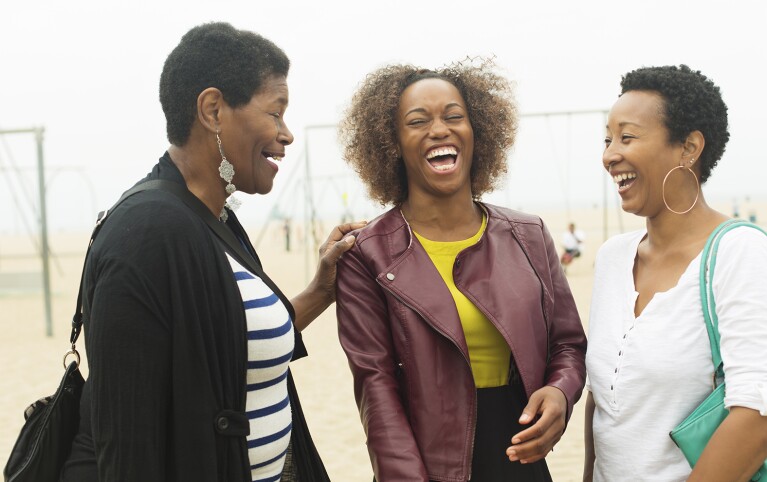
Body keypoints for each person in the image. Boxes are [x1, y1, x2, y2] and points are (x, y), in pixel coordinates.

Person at [60, 22, 365, 481]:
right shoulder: (145, 234)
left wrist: (321, 290)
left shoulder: (214, 219)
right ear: (213, 110)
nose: (287, 135)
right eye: (276, 113)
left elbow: (225, 344)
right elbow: (126, 444)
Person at [335, 61, 588, 482]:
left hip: (520, 461)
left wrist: (561, 391)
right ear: (392, 142)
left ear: (477, 132)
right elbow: (376, 390)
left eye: (454, 117)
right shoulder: (368, 255)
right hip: (424, 467)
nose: (440, 130)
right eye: (418, 121)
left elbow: (568, 344)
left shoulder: (528, 235)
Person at [583, 65, 767, 481]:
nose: (610, 155)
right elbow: (605, 401)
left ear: (689, 148)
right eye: (608, 139)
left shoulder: (740, 252)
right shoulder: (612, 258)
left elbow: (763, 410)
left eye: (627, 137)